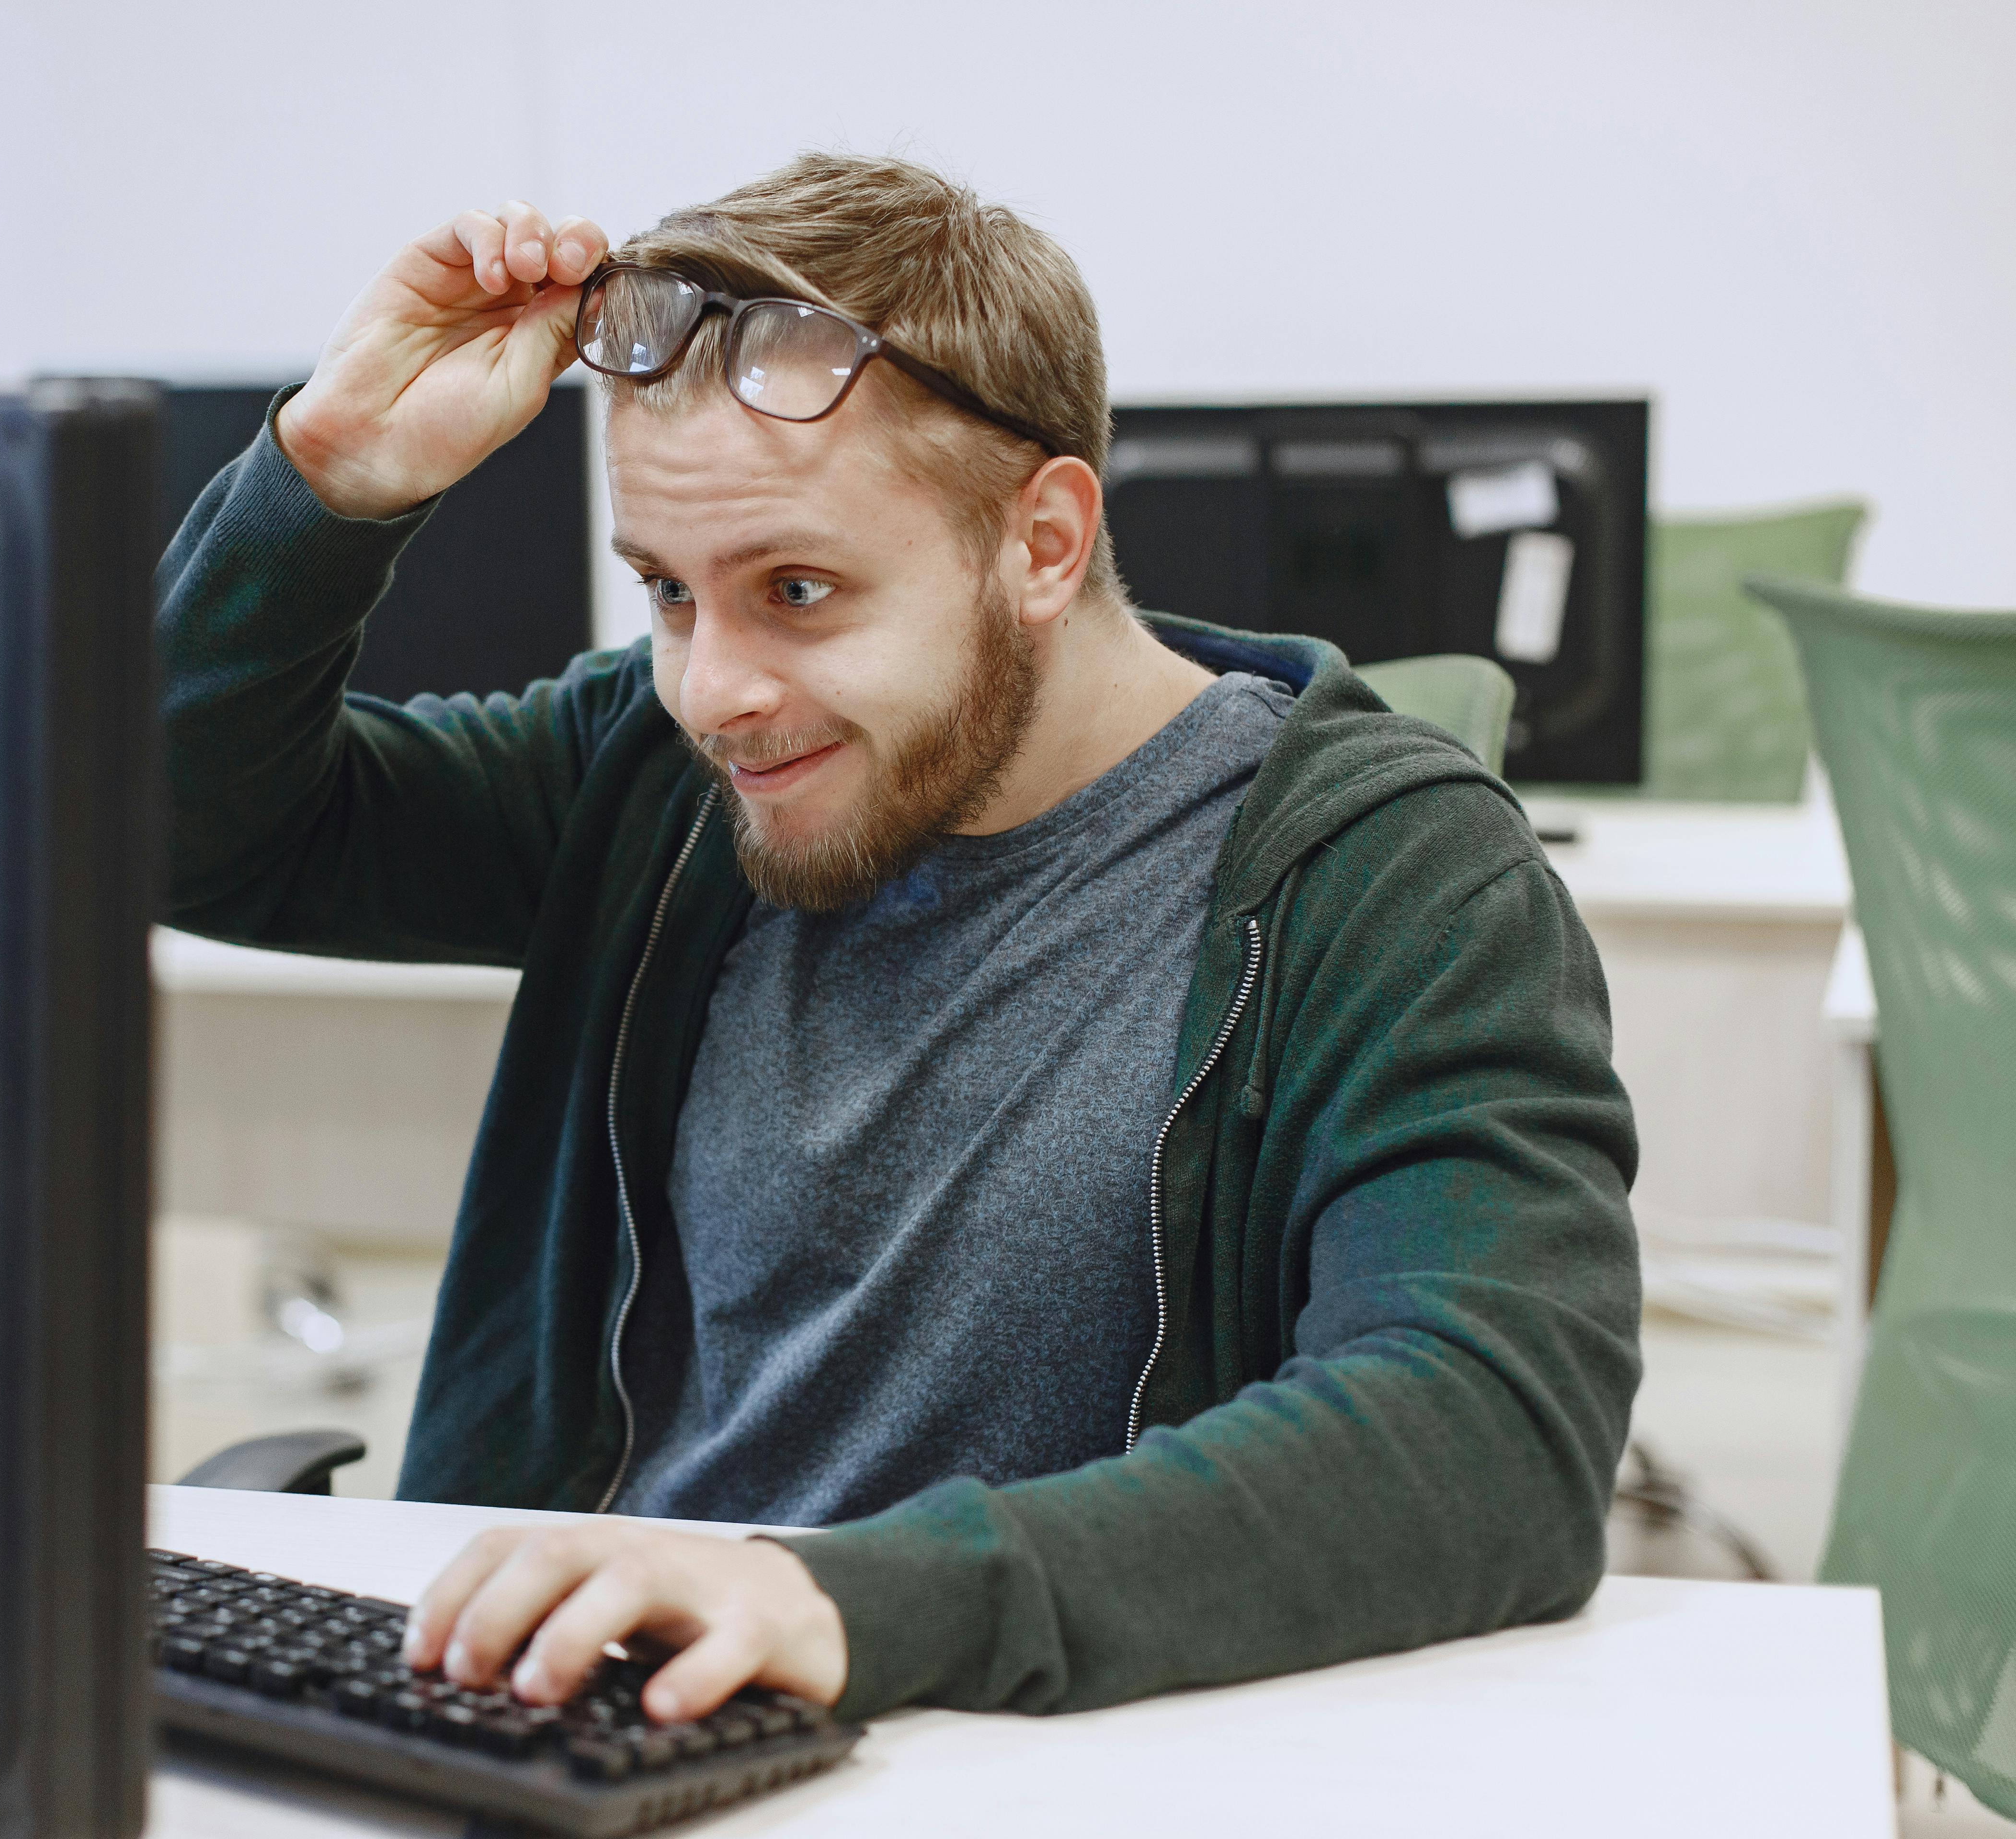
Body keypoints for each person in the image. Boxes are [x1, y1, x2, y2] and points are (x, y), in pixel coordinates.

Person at [157, 153, 1639, 1729]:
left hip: (1021, 1740)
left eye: (798, 589)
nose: (711, 690)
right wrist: (323, 484)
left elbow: (1488, 1430)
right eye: (667, 592)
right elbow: (175, 827)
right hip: (591, 1722)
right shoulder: (655, 786)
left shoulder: (1388, 873)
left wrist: (847, 1600)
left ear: (1044, 545)